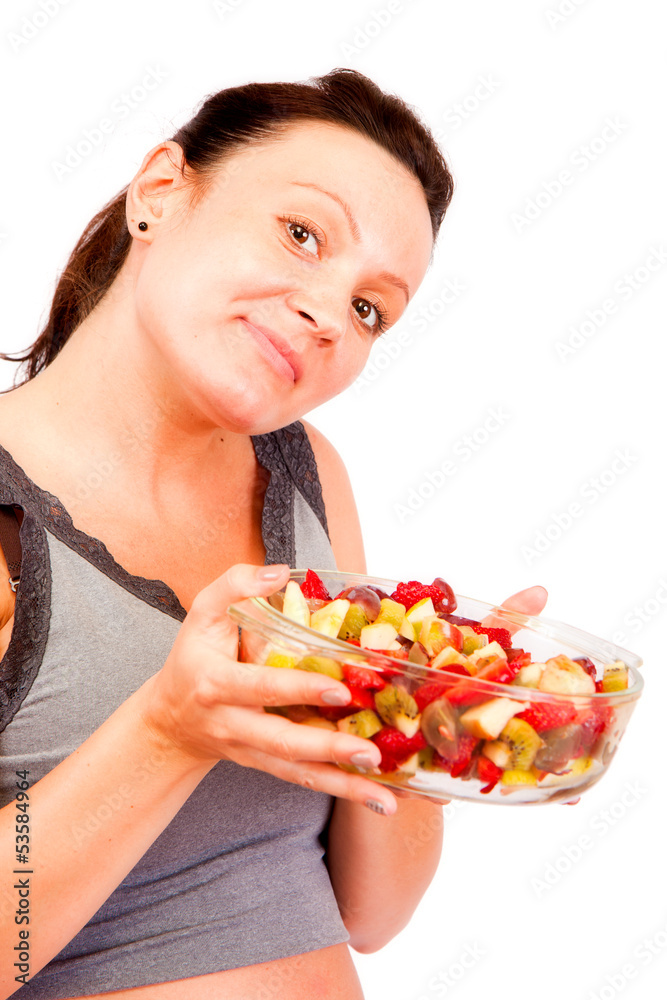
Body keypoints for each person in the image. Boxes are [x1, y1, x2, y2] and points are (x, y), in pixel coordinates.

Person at [0, 68, 545, 999]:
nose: (330, 314)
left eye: (371, 307)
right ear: (160, 191)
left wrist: (421, 707)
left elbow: (372, 913)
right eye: (302, 235)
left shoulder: (304, 477)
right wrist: (171, 730)